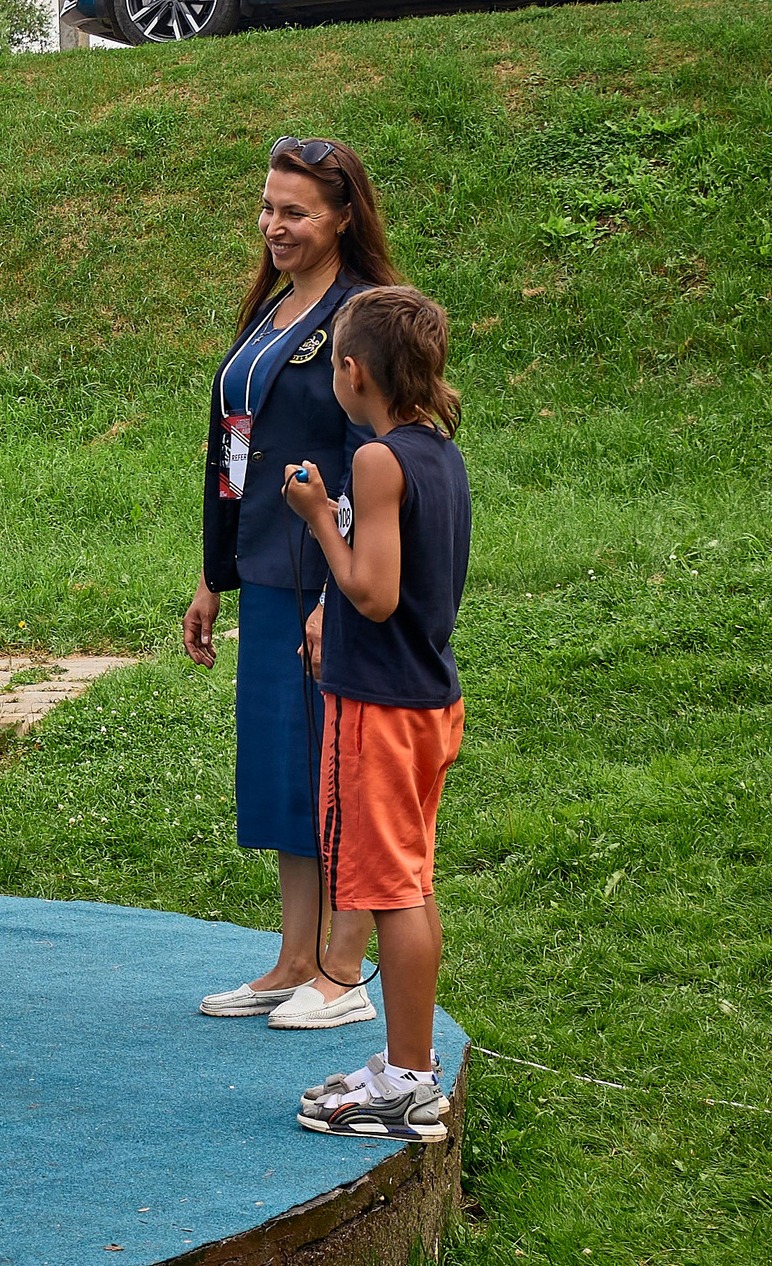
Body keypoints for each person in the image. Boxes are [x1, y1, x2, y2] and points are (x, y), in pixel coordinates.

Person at [182, 135, 399, 1031]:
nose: (274, 225)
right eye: (268, 207)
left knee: (337, 772)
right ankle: (293, 958)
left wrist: (329, 594)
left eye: (296, 212)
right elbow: (233, 445)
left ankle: (344, 972)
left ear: (344, 215)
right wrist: (211, 573)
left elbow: (367, 454)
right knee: (282, 769)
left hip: (326, 580)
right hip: (265, 571)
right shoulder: (271, 308)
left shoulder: (362, 315)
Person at [279, 286, 470, 1141]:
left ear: (353, 372)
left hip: (384, 709)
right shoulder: (438, 450)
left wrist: (320, 518)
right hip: (428, 700)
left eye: (331, 364)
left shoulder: (377, 460)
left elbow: (374, 592)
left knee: (393, 890)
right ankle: (405, 1066)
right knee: (411, 883)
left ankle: (409, 1082)